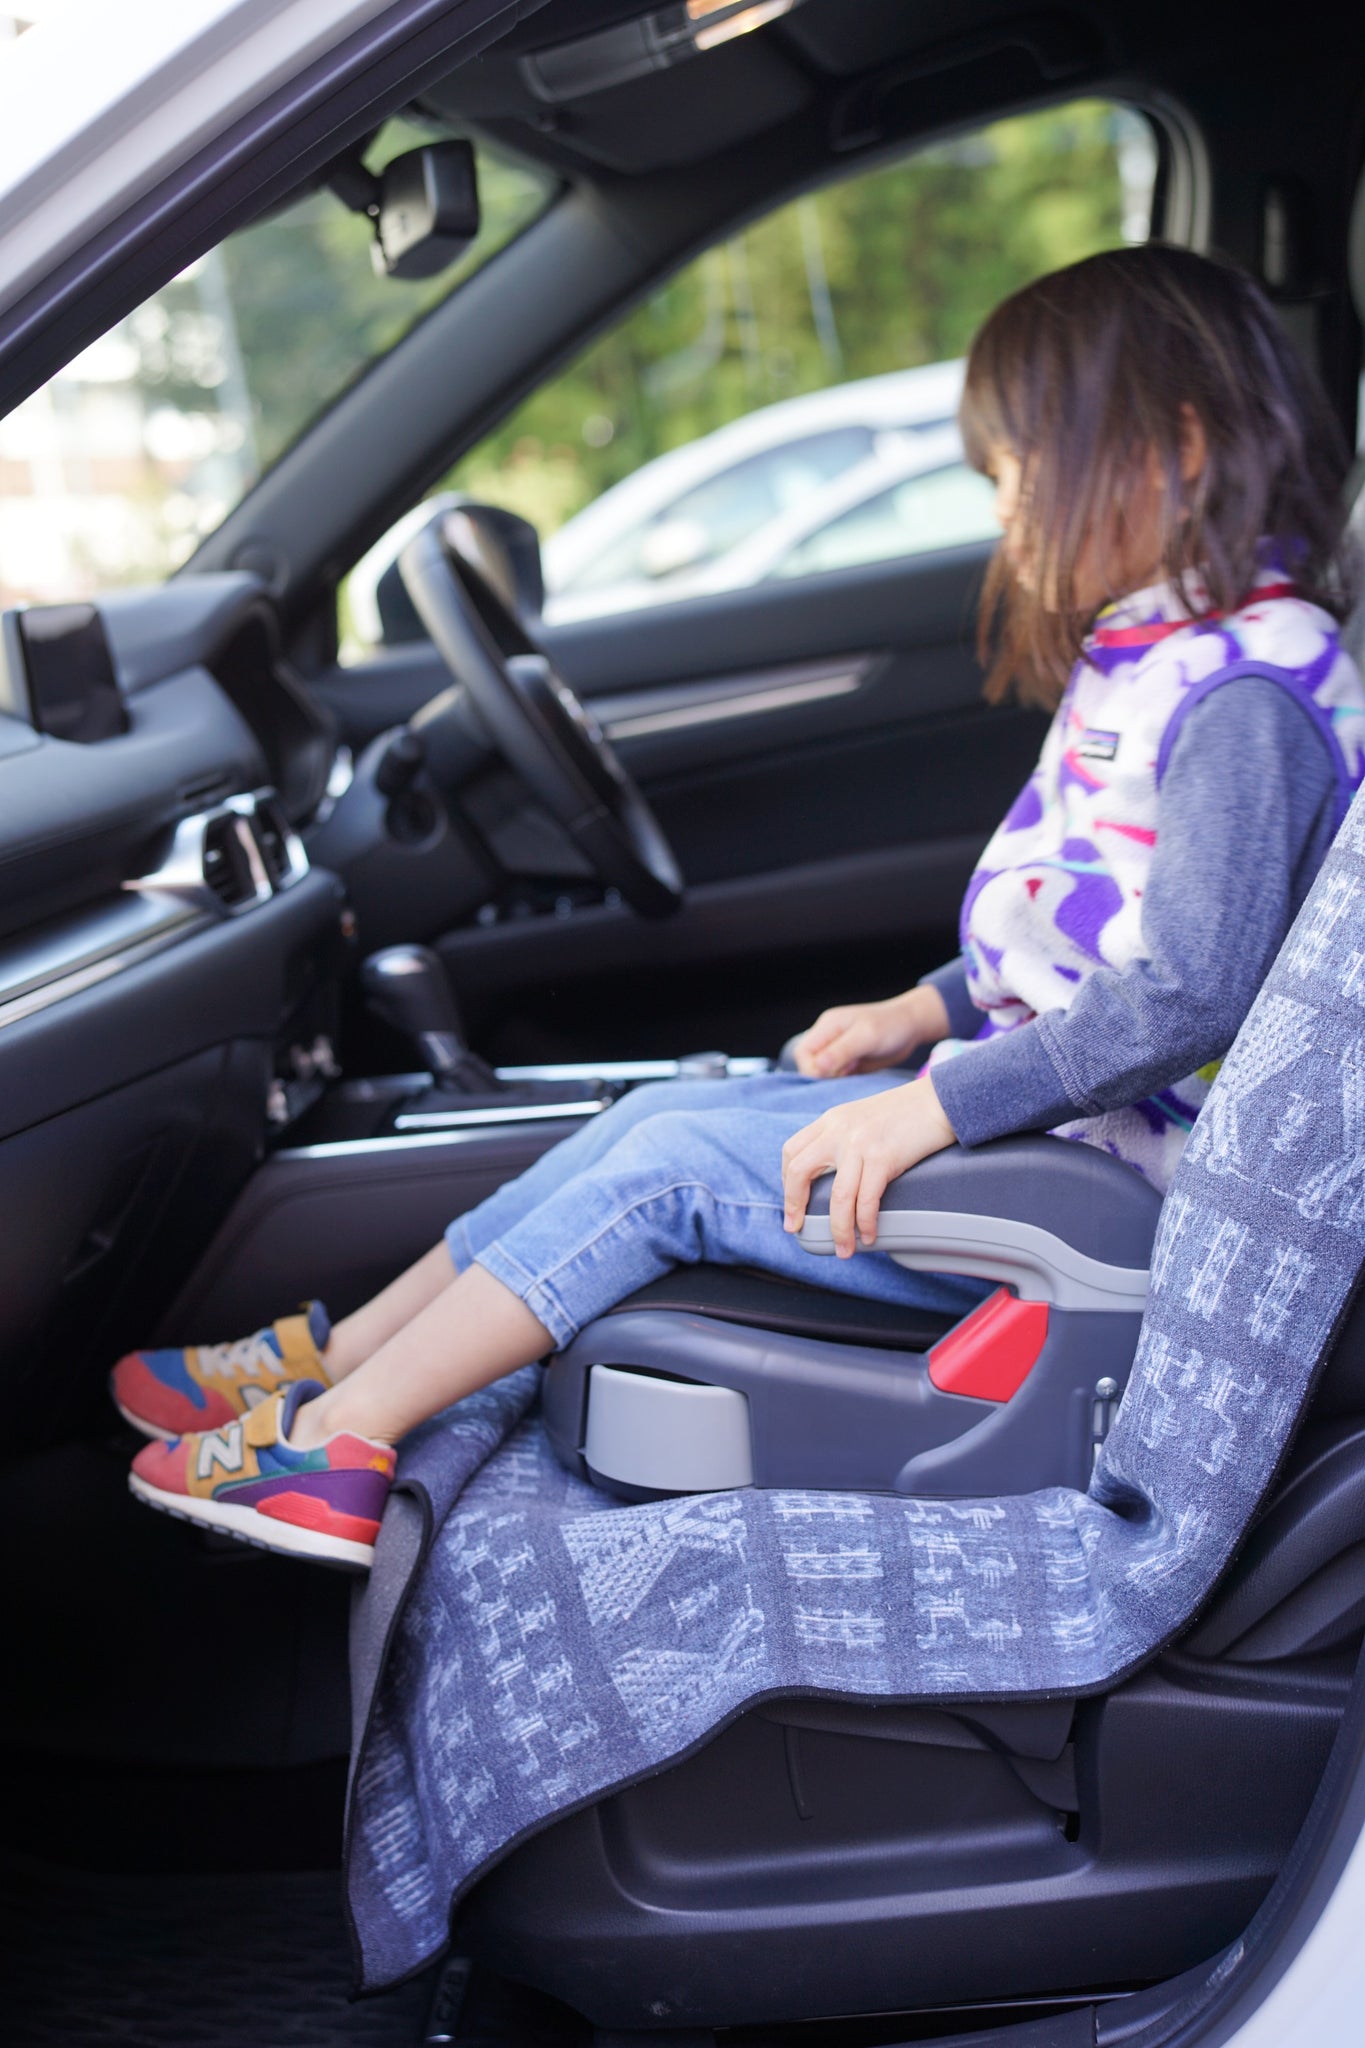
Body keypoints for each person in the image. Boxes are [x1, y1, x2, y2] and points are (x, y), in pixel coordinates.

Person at [115, 244, 1365, 1569]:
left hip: (1096, 1204)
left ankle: (338, 1446)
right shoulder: (1161, 652)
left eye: (1017, 472)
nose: (1004, 511)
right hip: (1052, 1135)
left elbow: (1189, 993)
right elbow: (1083, 927)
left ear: (1176, 447)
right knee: (651, 1119)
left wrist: (938, 1102)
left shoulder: (1246, 699)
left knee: (671, 1171)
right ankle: (333, 1362)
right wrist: (919, 1012)